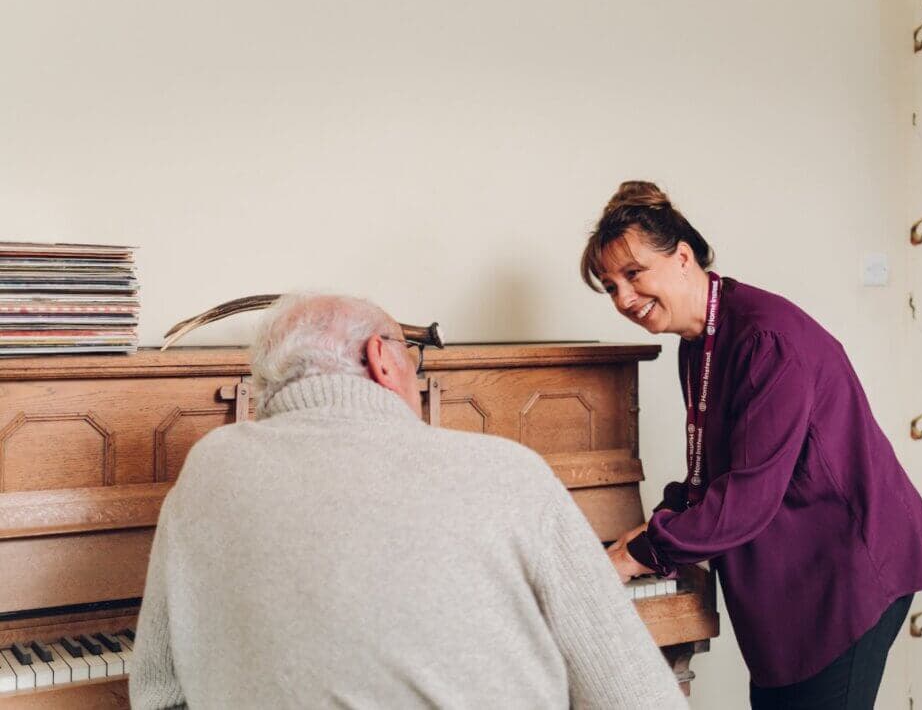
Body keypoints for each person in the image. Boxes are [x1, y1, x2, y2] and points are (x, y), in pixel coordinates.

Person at [130, 293, 687, 709]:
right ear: (383, 359)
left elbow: (157, 694)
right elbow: (636, 696)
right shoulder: (509, 472)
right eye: (414, 356)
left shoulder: (206, 469)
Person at [583, 181, 922, 710]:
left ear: (682, 257)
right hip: (794, 579)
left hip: (844, 571)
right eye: (610, 285)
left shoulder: (764, 337)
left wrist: (639, 553)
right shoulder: (699, 340)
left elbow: (745, 499)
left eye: (632, 274)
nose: (623, 298)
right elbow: (711, 474)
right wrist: (653, 526)